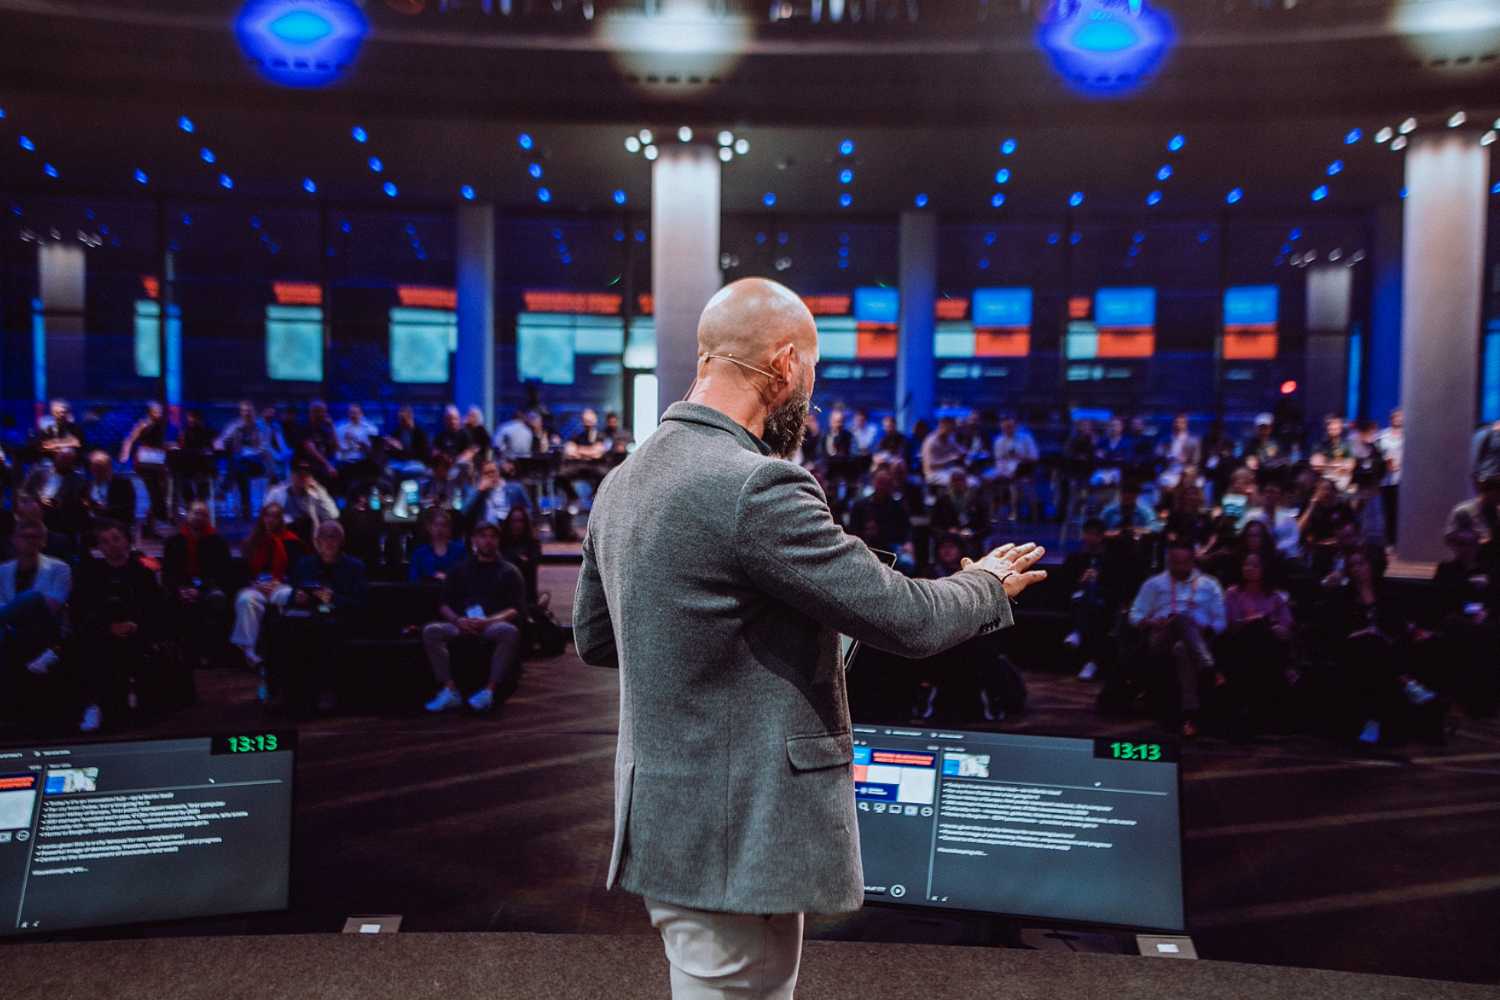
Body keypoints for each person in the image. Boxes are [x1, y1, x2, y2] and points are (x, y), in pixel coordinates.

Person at [573, 277, 1047, 1000]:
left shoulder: (623, 480)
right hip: (740, 833)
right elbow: (910, 619)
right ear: (786, 365)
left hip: (669, 821)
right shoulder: (757, 484)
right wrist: (985, 582)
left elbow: (599, 640)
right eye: (814, 373)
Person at [1311, 545, 1434, 745]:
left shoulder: (1388, 594)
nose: (1357, 569)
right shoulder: (1342, 596)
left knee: (1376, 646)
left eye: (1362, 563)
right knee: (1369, 642)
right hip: (1350, 651)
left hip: (1382, 653)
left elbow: (1397, 629)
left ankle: (1373, 720)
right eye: (1352, 565)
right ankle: (1407, 684)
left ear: (1372, 565)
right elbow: (1333, 633)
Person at [261, 520, 368, 713]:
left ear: (341, 540)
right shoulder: (305, 565)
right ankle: (278, 690)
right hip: (306, 615)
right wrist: (298, 598)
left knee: (328, 628)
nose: (328, 541)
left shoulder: (355, 567)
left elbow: (360, 605)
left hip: (337, 618)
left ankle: (328, 691)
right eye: (323, 536)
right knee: (274, 626)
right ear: (316, 541)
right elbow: (292, 596)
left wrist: (334, 598)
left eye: (333, 536)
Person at [69, 520, 165, 732]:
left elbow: (156, 610)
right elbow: (82, 612)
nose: (111, 545)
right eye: (105, 541)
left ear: (126, 541)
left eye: (116, 539)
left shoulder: (143, 573)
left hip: (138, 631)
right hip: (103, 632)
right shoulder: (91, 574)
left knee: (117, 609)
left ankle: (58, 650)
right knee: (100, 636)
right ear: (99, 547)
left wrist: (136, 626)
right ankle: (95, 705)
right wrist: (109, 628)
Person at [422, 521, 527, 714]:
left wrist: (487, 621)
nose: (488, 541)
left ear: (499, 541)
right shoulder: (458, 569)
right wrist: (457, 620)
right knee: (431, 631)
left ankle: (488, 691)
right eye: (483, 536)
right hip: (461, 623)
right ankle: (450, 689)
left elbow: (515, 610)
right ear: (473, 541)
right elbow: (444, 604)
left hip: (490, 625)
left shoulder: (509, 571)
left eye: (493, 537)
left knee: (510, 632)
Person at [1129, 538, 1227, 737]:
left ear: (1193, 561)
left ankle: (1190, 717)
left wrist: (1208, 628)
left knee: (1182, 648)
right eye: (1176, 562)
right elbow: (1134, 614)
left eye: (1185, 562)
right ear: (1169, 561)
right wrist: (1150, 622)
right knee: (1181, 617)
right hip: (1161, 637)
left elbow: (1221, 619)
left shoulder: (1209, 585)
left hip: (1197, 638)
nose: (1180, 567)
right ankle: (1210, 669)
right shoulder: (1154, 584)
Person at [1218, 551, 1297, 729]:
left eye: (1255, 565)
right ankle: (1287, 668)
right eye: (1247, 564)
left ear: (1264, 569)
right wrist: (1258, 620)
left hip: (1266, 649)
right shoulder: (1233, 593)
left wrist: (1274, 627)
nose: (1250, 569)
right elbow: (1231, 625)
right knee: (1258, 625)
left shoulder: (1276, 596)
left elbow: (1286, 626)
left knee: (1262, 629)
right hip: (1239, 644)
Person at [230, 502, 305, 687]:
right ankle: (249, 653)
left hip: (280, 585)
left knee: (288, 597)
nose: (270, 520)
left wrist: (280, 582)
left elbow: (298, 571)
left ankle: (285, 648)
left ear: (280, 519)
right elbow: (244, 572)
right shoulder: (251, 542)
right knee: (246, 600)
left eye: (275, 516)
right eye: (267, 515)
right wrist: (253, 584)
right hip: (257, 586)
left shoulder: (292, 542)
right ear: (262, 517)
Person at [1433, 529, 1499, 717]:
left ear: (1477, 547)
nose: (1465, 549)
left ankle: (1481, 694)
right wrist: (1466, 583)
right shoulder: (1447, 570)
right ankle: (1477, 693)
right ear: (1454, 547)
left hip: (1484, 618)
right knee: (1460, 625)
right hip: (1457, 616)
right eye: (1461, 544)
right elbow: (1437, 597)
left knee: (1485, 629)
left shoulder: (1490, 572)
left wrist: (1487, 611)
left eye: (1470, 544)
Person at [162, 501, 233, 668]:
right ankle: (173, 650)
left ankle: (205, 651)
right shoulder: (174, 542)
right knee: (163, 596)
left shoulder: (219, 544)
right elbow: (167, 575)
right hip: (181, 589)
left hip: (206, 588)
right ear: (188, 516)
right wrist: (180, 590)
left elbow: (224, 575)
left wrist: (199, 591)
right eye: (196, 513)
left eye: (204, 514)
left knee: (217, 597)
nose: (200, 517)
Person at [0, 519, 71, 681]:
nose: (29, 541)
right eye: (24, 537)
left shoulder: (59, 568)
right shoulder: (2, 571)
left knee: (33, 596)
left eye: (34, 537)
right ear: (14, 540)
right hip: (11, 630)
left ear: (43, 541)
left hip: (46, 629)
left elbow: (54, 605)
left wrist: (23, 607)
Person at [216, 400, 278, 518]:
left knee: (237, 459)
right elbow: (222, 439)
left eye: (249, 411)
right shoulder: (235, 426)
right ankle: (246, 505)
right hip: (240, 464)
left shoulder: (263, 428)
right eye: (243, 411)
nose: (246, 413)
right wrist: (219, 444)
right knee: (241, 470)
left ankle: (225, 487)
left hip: (258, 463)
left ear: (254, 412)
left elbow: (263, 450)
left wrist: (247, 455)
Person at [119, 401, 171, 538]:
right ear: (150, 412)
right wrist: (125, 454)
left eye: (160, 412)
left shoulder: (161, 425)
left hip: (158, 460)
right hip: (146, 461)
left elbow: (161, 442)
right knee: (154, 492)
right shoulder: (144, 424)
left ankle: (152, 524)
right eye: (155, 412)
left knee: (161, 492)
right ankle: (151, 527)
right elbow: (130, 439)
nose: (158, 414)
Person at [264, 460, 340, 546]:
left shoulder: (316, 495)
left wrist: (320, 491)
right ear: (291, 475)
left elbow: (333, 515)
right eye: (298, 474)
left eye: (305, 475)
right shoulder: (276, 493)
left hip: (307, 540)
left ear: (311, 478)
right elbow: (264, 517)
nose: (301, 478)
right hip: (282, 538)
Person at [461, 460, 534, 535]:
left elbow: (529, 508)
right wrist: (481, 489)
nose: (491, 475)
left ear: (498, 472)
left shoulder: (515, 488)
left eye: (493, 471)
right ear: (481, 476)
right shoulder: (476, 491)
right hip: (485, 530)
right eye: (487, 473)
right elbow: (465, 511)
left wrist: (518, 520)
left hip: (509, 529)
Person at [988, 414, 1039, 521]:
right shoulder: (998, 441)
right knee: (987, 478)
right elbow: (998, 460)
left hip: (1023, 469)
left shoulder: (1026, 438)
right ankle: (993, 509)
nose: (1008, 429)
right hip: (1005, 470)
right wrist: (1004, 472)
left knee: (1018, 483)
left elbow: (1035, 458)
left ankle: (1004, 508)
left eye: (1011, 426)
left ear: (1016, 425)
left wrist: (1020, 456)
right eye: (1006, 427)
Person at [82, 451, 138, 542]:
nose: (98, 474)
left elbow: (129, 507)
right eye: (95, 471)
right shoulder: (86, 485)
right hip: (91, 528)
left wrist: (106, 509)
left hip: (116, 527)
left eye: (102, 471)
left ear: (110, 468)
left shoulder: (123, 484)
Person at [1444, 476, 1500, 564]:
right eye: (1498, 494)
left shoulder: (1498, 512)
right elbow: (1450, 537)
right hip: (1469, 562)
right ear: (1489, 492)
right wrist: (1476, 540)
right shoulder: (1463, 511)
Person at [1241, 481, 1302, 561]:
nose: (1270, 495)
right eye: (1268, 492)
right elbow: (1243, 533)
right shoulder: (1252, 515)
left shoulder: (1288, 517)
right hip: (1257, 556)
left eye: (1274, 493)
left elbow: (1294, 537)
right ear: (1262, 495)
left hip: (1283, 557)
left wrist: (1279, 547)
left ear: (1279, 497)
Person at [172, 408, 218, 509]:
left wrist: (212, 450)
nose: (191, 420)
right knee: (179, 475)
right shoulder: (184, 434)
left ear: (201, 420)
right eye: (190, 418)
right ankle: (190, 503)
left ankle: (201, 503)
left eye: (194, 418)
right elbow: (179, 449)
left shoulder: (209, 433)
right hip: (187, 468)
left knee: (203, 478)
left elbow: (216, 449)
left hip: (205, 468)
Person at [333, 402, 380, 495]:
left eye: (355, 412)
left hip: (363, 461)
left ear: (361, 413)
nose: (352, 415)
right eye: (350, 413)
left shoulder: (371, 429)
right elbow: (340, 449)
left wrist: (361, 444)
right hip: (346, 461)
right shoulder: (340, 427)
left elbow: (373, 450)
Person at [499, 505, 543, 606]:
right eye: (514, 521)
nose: (517, 524)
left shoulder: (533, 543)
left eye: (520, 521)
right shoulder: (502, 542)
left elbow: (533, 562)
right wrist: (519, 559)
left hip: (527, 592)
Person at [409, 507, 466, 583]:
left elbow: (466, 575)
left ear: (449, 529)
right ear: (429, 527)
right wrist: (433, 576)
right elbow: (414, 577)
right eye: (436, 525)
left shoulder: (460, 550)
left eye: (444, 525)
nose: (439, 529)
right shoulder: (419, 553)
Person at [1377, 409, 1403, 544]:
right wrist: (1384, 460)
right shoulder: (1383, 435)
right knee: (1388, 510)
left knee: (1401, 510)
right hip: (1386, 477)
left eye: (1400, 418)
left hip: (1402, 477)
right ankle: (1390, 541)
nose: (1398, 420)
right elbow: (1377, 452)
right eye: (1395, 417)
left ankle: (1402, 540)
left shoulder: (1407, 436)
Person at [384, 404, 432, 477]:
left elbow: (423, 456)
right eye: (399, 419)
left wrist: (401, 450)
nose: (400, 422)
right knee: (386, 470)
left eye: (403, 420)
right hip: (400, 463)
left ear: (411, 417)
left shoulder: (420, 433)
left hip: (416, 463)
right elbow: (393, 456)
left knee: (410, 470)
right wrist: (389, 447)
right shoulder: (397, 432)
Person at [1309, 414, 1354, 491]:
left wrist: (1327, 463)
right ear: (1325, 429)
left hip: (1341, 479)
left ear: (1340, 430)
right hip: (1323, 480)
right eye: (1330, 429)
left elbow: (1351, 465)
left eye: (1336, 429)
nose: (1333, 433)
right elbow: (1316, 466)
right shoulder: (1318, 446)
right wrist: (1338, 464)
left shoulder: (1345, 446)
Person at [920, 416, 967, 486]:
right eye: (949, 428)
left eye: (952, 429)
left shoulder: (950, 438)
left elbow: (962, 451)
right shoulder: (931, 442)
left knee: (970, 480)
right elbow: (930, 465)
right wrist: (949, 459)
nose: (951, 431)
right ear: (942, 426)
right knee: (957, 481)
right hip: (933, 473)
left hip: (948, 471)